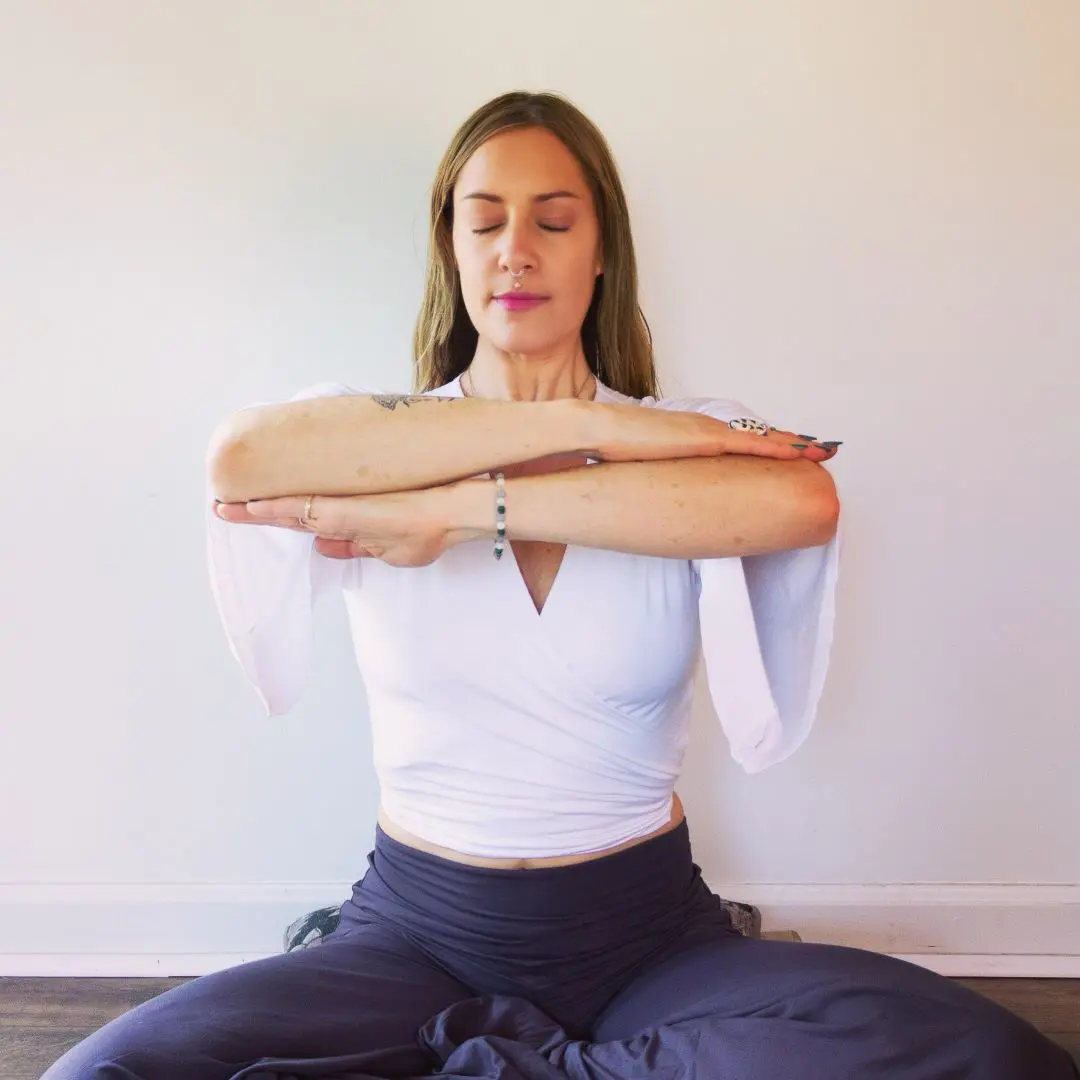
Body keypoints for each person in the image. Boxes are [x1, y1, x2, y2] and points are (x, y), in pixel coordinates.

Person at [45, 91, 1076, 1080]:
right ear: (451, 248)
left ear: (601, 250)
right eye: (484, 220)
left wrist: (452, 509)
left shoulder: (686, 448)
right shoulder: (371, 443)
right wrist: (587, 422)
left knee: (993, 1059)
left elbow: (804, 504)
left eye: (554, 218)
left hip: (649, 945)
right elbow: (238, 459)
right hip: (413, 940)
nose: (515, 249)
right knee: (110, 1069)